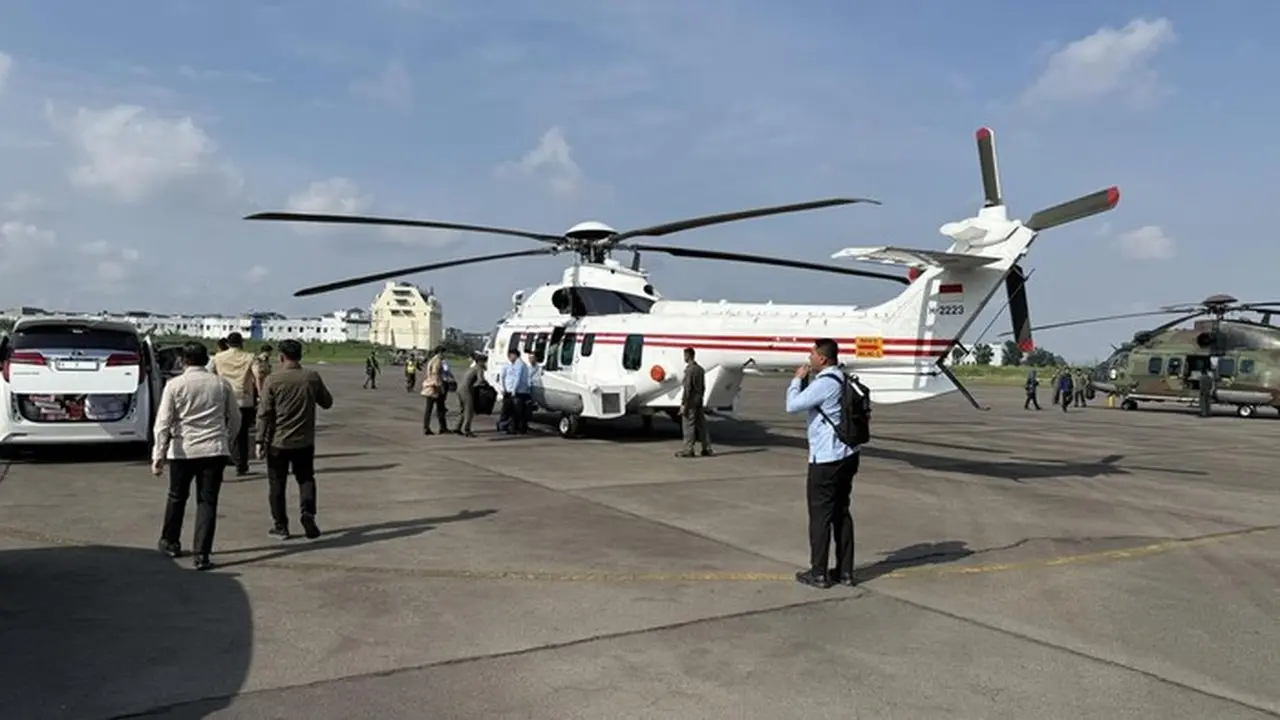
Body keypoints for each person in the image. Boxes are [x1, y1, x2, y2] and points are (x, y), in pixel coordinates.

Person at [153, 342, 241, 571]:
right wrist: (227, 439)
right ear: (207, 360)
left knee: (176, 497)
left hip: (183, 450)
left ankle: (170, 541)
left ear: (183, 360)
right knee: (207, 502)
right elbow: (235, 417)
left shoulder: (174, 385)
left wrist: (158, 454)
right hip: (213, 449)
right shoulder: (221, 385)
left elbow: (163, 422)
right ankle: (202, 554)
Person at [785, 338, 860, 589]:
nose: (809, 358)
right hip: (848, 454)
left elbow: (792, 405)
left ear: (823, 359)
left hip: (826, 459)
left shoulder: (825, 383)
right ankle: (845, 571)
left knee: (820, 516)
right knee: (841, 514)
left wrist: (796, 380)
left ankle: (818, 573)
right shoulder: (843, 378)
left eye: (812, 354)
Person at [256, 339, 334, 540]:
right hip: (304, 441)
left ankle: (281, 525)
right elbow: (327, 402)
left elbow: (264, 413)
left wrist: (259, 440)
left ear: (281, 357)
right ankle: (308, 514)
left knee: (277, 485)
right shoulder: (311, 377)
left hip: (278, 441)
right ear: (300, 356)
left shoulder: (272, 380)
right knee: (306, 479)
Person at [209, 331, 262, 477]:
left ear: (227, 343)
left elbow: (210, 375)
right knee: (242, 434)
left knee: (221, 431)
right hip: (243, 399)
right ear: (242, 343)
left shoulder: (218, 357)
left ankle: (222, 460)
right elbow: (258, 377)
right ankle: (241, 464)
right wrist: (261, 395)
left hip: (222, 399)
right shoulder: (250, 357)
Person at [675, 347, 713, 457]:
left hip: (690, 402)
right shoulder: (700, 369)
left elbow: (687, 388)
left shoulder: (690, 370)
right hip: (699, 400)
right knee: (702, 425)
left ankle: (688, 449)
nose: (684, 358)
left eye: (685, 356)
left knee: (688, 425)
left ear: (688, 356)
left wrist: (683, 404)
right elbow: (703, 387)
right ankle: (707, 448)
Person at [500, 349, 531, 435]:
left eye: (510, 355)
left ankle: (515, 428)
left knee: (516, 411)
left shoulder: (519, 364)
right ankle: (515, 427)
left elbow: (517, 378)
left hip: (518, 391)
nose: (509, 357)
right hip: (515, 390)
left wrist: (513, 390)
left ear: (515, 355)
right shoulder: (513, 364)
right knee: (515, 411)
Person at [420, 348, 450, 434]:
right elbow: (436, 375)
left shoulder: (431, 361)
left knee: (429, 409)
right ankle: (442, 428)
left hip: (430, 385)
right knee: (440, 408)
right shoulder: (437, 361)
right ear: (440, 352)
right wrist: (440, 387)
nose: (445, 355)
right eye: (444, 353)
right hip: (435, 387)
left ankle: (426, 427)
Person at [454, 354, 486, 437]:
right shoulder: (479, 368)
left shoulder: (472, 368)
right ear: (481, 362)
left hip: (459, 389)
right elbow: (480, 380)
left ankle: (457, 427)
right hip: (467, 390)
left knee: (463, 410)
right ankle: (467, 430)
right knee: (469, 411)